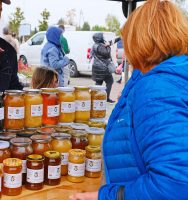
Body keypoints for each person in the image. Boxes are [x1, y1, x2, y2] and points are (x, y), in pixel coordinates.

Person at [70, 0, 188, 200]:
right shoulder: (164, 76)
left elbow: (175, 185)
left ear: (139, 39)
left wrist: (109, 196)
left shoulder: (158, 88)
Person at [91, 32, 119, 103]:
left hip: (98, 67)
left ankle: (94, 99)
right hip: (103, 68)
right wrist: (108, 46)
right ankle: (106, 98)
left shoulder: (96, 45)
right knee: (110, 81)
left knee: (98, 83)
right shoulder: (100, 46)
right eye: (102, 36)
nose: (103, 38)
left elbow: (110, 42)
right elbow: (106, 53)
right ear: (99, 38)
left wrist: (119, 38)